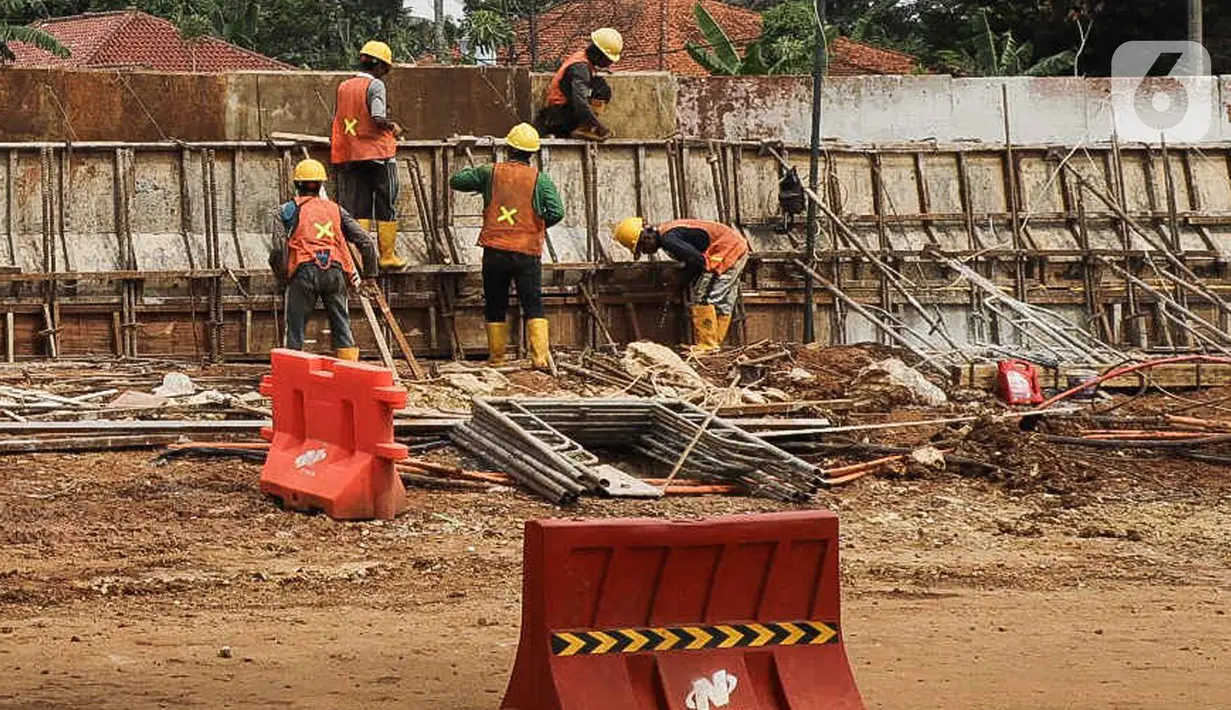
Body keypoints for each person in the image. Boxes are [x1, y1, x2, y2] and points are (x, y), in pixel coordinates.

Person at [449, 123, 565, 369]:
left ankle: (497, 358)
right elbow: (557, 211)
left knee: (495, 302)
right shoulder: (540, 180)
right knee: (533, 302)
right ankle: (540, 358)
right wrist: (537, 226)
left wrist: (478, 177)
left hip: (495, 251)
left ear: (509, 148)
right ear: (532, 154)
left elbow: (456, 181)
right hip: (527, 252)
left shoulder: (490, 172)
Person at [270, 159, 379, 361]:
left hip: (303, 271)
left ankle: (293, 374)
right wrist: (370, 277)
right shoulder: (336, 210)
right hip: (335, 271)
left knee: (294, 329)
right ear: (321, 185)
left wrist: (282, 276)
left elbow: (278, 249)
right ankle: (349, 373)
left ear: (297, 184)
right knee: (342, 326)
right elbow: (366, 241)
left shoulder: (286, 210)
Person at [612, 217, 749, 352]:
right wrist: (679, 283)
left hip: (724, 251)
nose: (645, 252)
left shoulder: (668, 239)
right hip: (735, 248)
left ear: (647, 237)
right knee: (723, 302)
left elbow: (698, 262)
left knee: (703, 298)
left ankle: (707, 346)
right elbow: (694, 260)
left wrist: (678, 283)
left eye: (642, 247)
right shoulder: (668, 233)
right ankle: (714, 344)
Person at [330, 39, 407, 270]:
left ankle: (363, 258)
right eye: (386, 69)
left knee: (360, 206)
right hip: (378, 154)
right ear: (380, 66)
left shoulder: (344, 86)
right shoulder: (375, 86)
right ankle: (386, 256)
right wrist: (392, 126)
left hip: (353, 154)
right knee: (387, 203)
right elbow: (377, 116)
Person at [535, 28, 622, 140]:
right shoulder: (580, 68)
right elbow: (580, 102)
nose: (609, 63)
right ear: (599, 54)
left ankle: (584, 127)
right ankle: (584, 128)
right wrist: (599, 127)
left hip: (556, 115)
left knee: (598, 84)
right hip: (558, 118)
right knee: (602, 90)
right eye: (608, 59)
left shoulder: (581, 58)